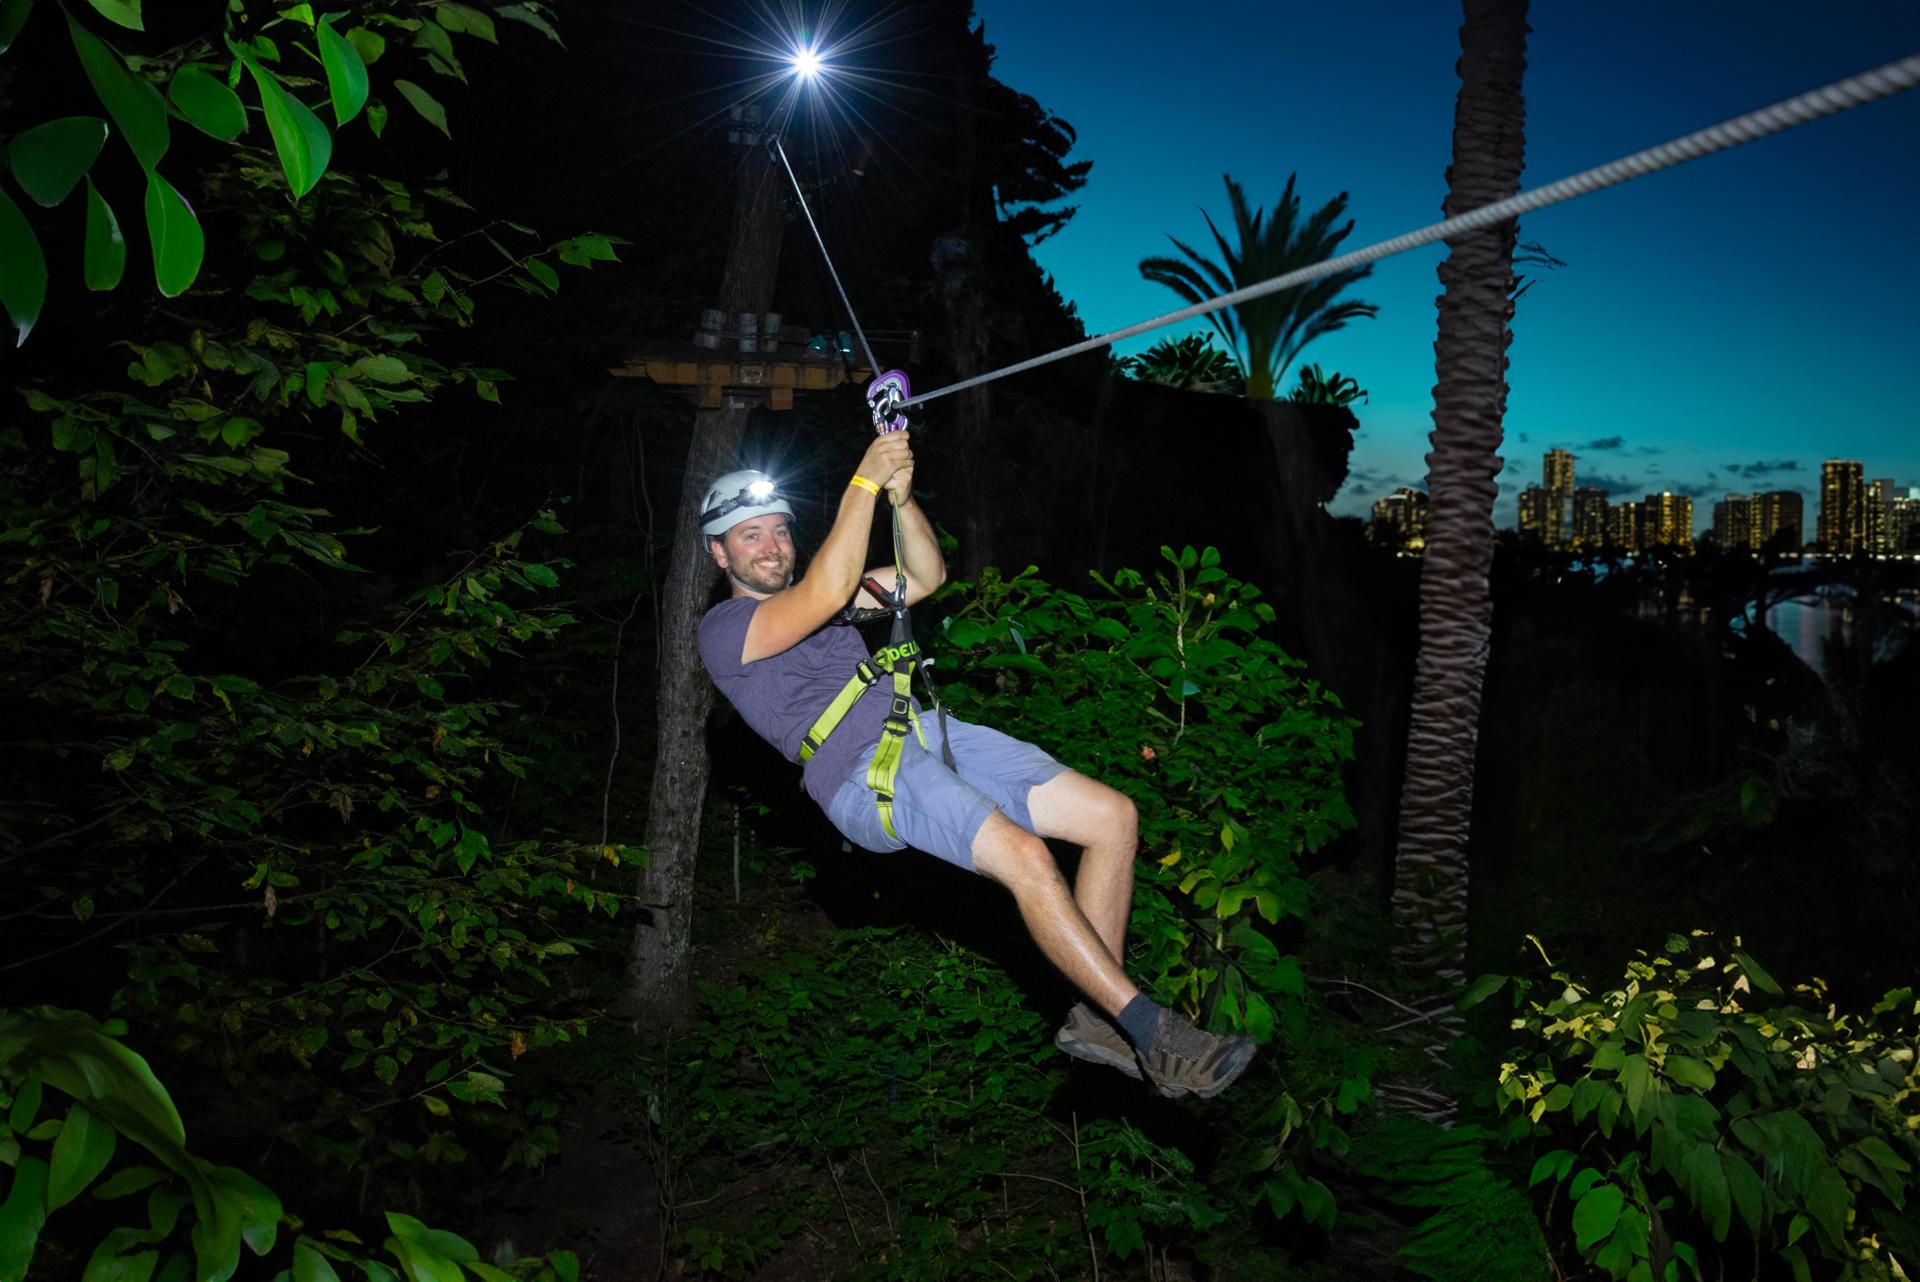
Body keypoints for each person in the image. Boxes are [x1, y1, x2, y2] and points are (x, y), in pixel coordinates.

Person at [695, 431, 1255, 1099]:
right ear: (718, 552)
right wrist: (865, 479)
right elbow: (829, 584)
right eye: (749, 536)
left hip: (926, 732)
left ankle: (1096, 1020)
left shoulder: (835, 600)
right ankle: (1153, 1032)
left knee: (1112, 819)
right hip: (863, 772)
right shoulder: (725, 632)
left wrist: (900, 501)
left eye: (778, 531)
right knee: (1027, 857)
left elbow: (927, 577)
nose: (770, 546)